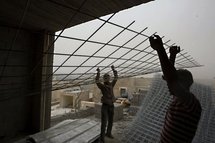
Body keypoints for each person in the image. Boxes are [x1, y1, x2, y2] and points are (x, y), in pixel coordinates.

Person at [149, 35, 202, 143]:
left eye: (175, 82)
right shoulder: (179, 99)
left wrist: (160, 49)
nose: (168, 85)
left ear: (184, 84)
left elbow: (171, 78)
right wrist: (172, 56)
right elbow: (170, 77)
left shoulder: (191, 102)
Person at [95, 65, 118, 143]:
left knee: (111, 121)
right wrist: (98, 73)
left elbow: (116, 78)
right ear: (104, 79)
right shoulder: (102, 86)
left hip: (111, 105)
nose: (106, 78)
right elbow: (97, 81)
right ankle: (102, 138)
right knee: (104, 122)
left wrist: (114, 70)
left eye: (107, 77)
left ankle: (108, 133)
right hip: (105, 106)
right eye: (105, 77)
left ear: (109, 78)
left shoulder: (111, 85)